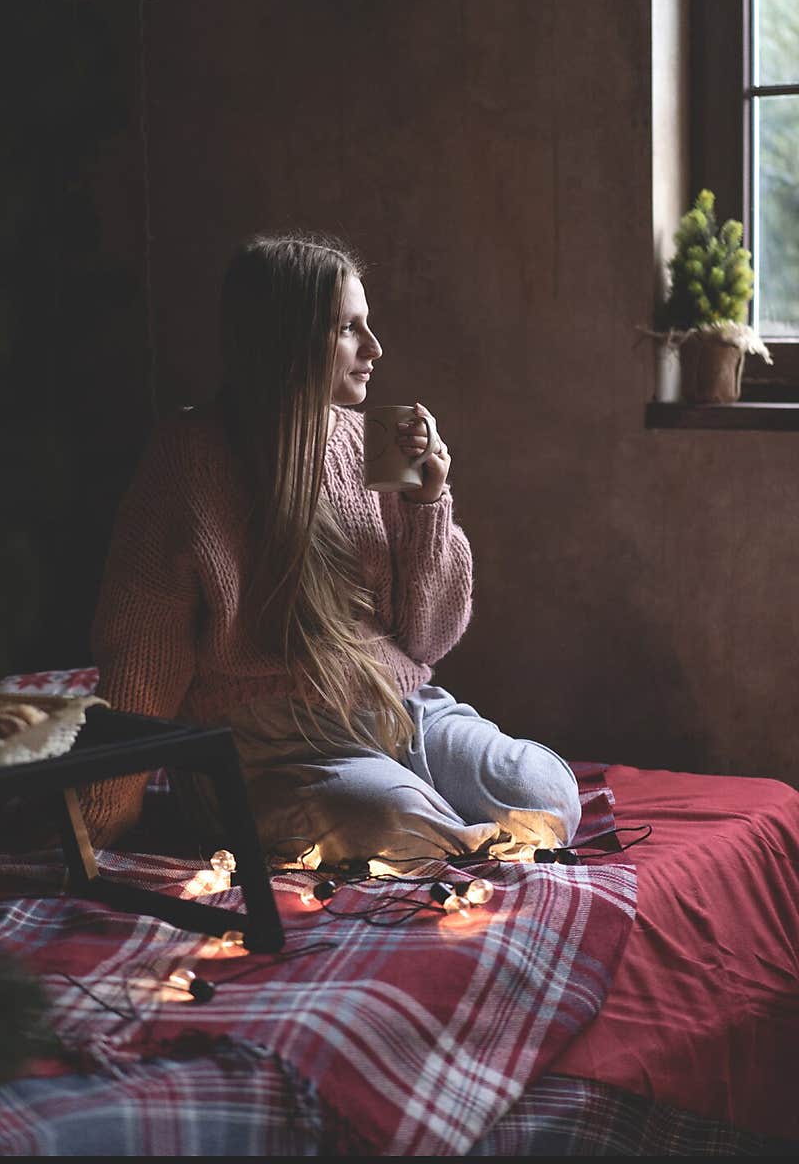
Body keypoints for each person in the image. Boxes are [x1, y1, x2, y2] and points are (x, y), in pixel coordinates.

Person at [89, 234, 580, 867]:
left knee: (545, 792)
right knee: (394, 819)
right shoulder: (187, 460)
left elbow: (427, 640)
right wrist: (101, 817)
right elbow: (143, 652)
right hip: (269, 747)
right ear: (287, 339)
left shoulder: (362, 441)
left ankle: (446, 828)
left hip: (400, 711)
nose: (374, 349)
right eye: (348, 328)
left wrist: (428, 505)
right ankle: (445, 833)